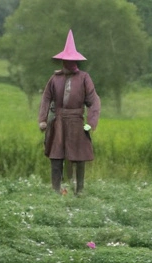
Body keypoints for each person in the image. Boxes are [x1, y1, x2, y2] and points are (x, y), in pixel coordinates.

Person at [38, 30, 100, 196]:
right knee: (56, 156)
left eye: (72, 59)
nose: (69, 62)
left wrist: (91, 122)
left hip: (77, 121)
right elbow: (46, 98)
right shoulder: (55, 79)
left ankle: (79, 189)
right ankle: (55, 189)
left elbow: (94, 101)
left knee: (79, 156)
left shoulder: (84, 78)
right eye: (67, 59)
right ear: (62, 60)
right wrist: (43, 120)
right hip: (58, 121)